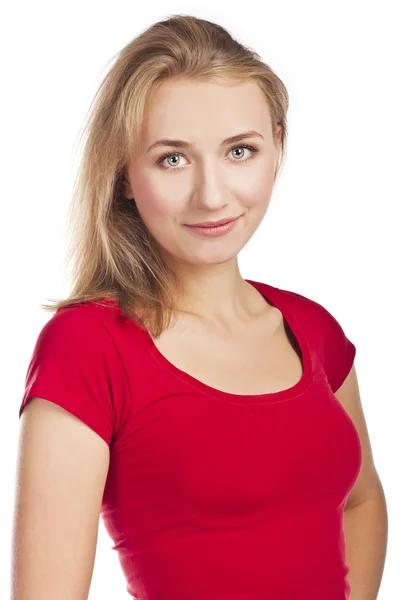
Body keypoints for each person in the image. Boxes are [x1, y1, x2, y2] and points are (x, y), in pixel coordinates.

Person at [11, 14, 386, 600]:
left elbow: (362, 501)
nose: (213, 195)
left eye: (240, 150)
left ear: (277, 147)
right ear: (124, 175)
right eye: (172, 159)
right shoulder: (87, 347)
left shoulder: (312, 329)